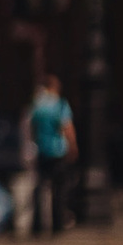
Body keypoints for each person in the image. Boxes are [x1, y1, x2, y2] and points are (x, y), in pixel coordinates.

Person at [25, 72, 76, 236]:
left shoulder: (37, 105)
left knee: (41, 187)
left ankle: (38, 225)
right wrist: (73, 146)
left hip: (42, 149)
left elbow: (30, 127)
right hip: (58, 149)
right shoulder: (60, 104)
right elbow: (67, 127)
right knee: (59, 189)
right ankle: (57, 225)